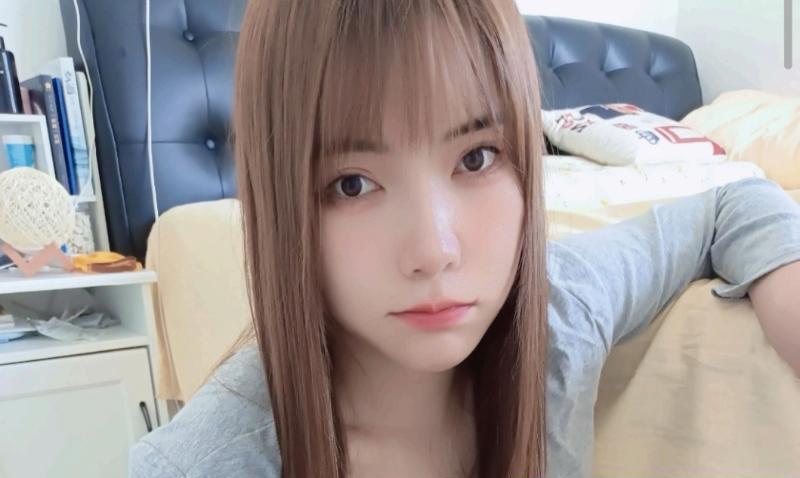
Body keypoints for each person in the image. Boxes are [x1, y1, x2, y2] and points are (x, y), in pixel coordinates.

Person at [129, 1, 800, 477]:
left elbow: (727, 204)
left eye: (476, 158)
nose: (435, 250)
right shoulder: (201, 463)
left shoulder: (560, 310)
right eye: (353, 184)